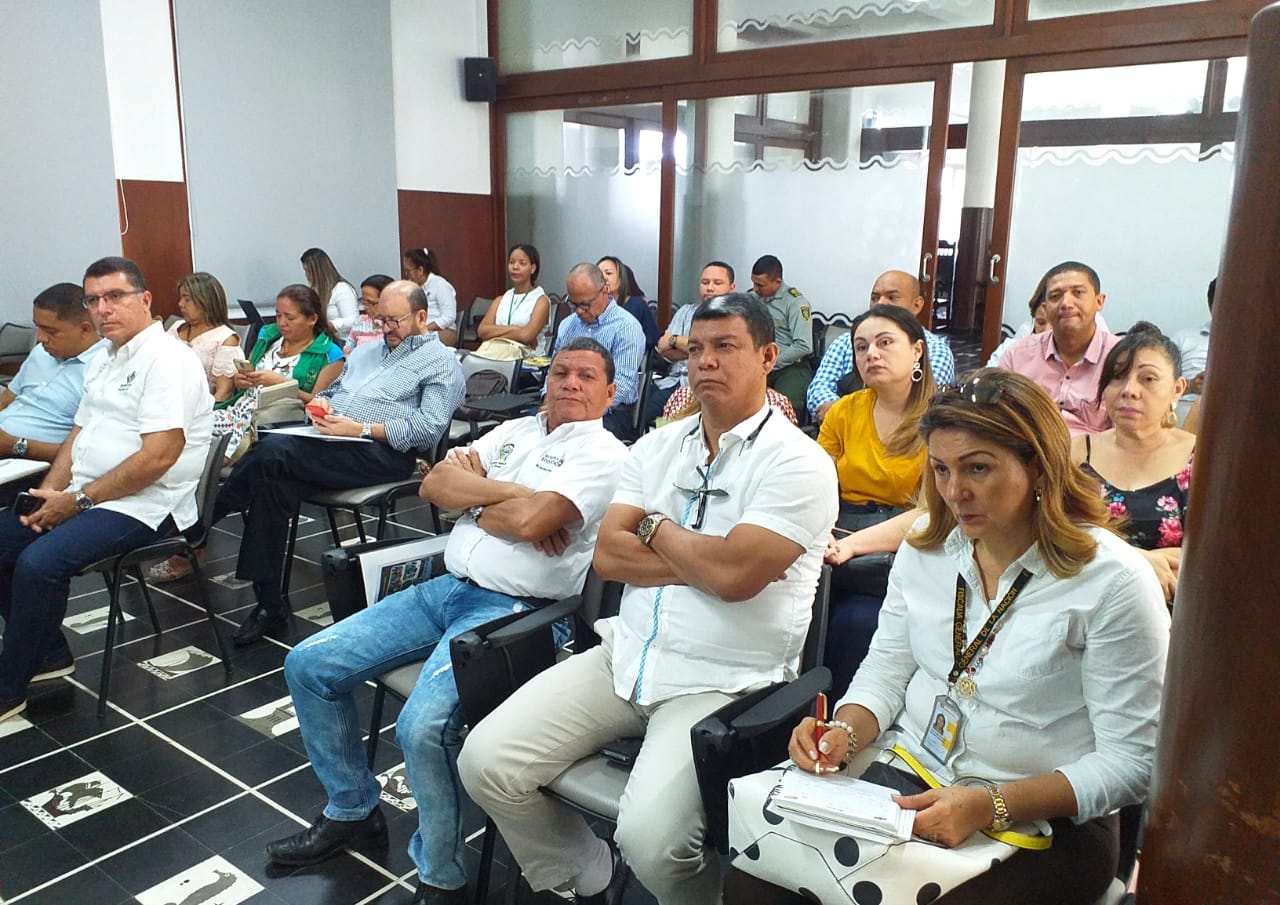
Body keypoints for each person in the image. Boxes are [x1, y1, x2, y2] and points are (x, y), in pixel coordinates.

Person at [460, 293, 838, 905]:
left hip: (723, 680)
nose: (706, 362)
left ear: (768, 356)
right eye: (696, 349)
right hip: (625, 655)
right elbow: (609, 558)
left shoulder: (800, 464)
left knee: (653, 840)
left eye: (725, 347)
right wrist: (707, 560)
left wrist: (656, 526)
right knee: (485, 763)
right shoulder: (657, 447)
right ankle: (589, 873)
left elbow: (739, 577)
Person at [743, 369, 1169, 905]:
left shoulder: (1111, 581)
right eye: (941, 469)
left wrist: (990, 804)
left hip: (1047, 816)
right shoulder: (926, 552)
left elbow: (1132, 763)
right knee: (760, 880)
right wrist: (844, 734)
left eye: (979, 468)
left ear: (1038, 465)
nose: (954, 491)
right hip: (915, 768)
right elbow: (885, 672)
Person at [266, 339, 628, 905]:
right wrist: (510, 494)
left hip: (516, 610)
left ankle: (442, 877)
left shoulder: (604, 454)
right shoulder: (516, 432)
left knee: (421, 727)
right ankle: (352, 810)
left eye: (587, 376)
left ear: (611, 392)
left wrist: (480, 501)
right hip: (444, 589)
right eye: (561, 371)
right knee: (309, 664)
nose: (571, 383)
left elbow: (537, 522)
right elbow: (434, 484)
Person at [0, 256, 212, 723]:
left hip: (149, 505)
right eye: (94, 300)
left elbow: (159, 456)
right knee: (5, 538)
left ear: (144, 300)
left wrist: (75, 502)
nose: (103, 309)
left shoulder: (168, 360)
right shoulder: (107, 359)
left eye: (115, 296)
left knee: (38, 563)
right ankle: (49, 654)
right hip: (91, 493)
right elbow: (79, 436)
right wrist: (48, 496)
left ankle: (8, 688)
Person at [213, 280, 465, 646]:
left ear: (421, 316)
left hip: (383, 453)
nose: (386, 329)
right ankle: (268, 605)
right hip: (332, 441)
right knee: (273, 483)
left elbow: (428, 430)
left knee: (275, 451)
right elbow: (330, 392)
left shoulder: (440, 361)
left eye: (394, 321)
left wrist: (360, 428)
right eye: (381, 321)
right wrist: (324, 406)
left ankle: (205, 518)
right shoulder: (366, 352)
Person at [818, 304, 935, 692]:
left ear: (917, 350)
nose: (872, 354)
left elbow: (933, 511)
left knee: (857, 622)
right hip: (837, 532)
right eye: (861, 346)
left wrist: (852, 546)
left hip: (909, 545)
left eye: (885, 343)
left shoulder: (942, 417)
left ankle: (847, 723)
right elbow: (815, 486)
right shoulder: (844, 412)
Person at [1071, 323, 1195, 604]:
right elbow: (1053, 533)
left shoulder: (1201, 458)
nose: (1129, 390)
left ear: (1177, 389)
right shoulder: (1076, 454)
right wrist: (1137, 561)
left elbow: (1218, 551)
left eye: (1148, 379)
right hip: (1086, 600)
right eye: (1117, 377)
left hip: (1175, 607)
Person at [807, 270, 955, 422]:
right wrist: (844, 415)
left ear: (916, 305)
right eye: (875, 298)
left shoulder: (936, 351)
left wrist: (846, 413)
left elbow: (925, 405)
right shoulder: (846, 341)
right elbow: (819, 388)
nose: (880, 303)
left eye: (892, 297)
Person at [997, 261, 1119, 434]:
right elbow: (999, 420)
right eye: (1055, 296)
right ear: (1045, 309)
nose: (1066, 303)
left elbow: (1128, 438)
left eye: (1078, 293)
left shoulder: (1122, 359)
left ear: (1099, 301)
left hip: (1095, 457)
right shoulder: (1017, 356)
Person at [0, 282, 107, 464]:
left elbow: (90, 456)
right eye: (37, 327)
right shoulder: (41, 353)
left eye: (50, 331)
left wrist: (16, 445)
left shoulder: (106, 368)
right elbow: (5, 400)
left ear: (85, 329)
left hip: (27, 463)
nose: (40, 338)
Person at [550, 263, 645, 442]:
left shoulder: (627, 327)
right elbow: (554, 372)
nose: (578, 311)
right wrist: (549, 401)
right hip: (565, 404)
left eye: (585, 304)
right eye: (573, 303)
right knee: (530, 429)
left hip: (610, 412)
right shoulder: (568, 325)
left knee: (571, 440)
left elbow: (622, 384)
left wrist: (581, 410)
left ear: (605, 290)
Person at [650, 261, 736, 423]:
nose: (710, 288)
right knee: (646, 416)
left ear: (731, 288)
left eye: (717, 283)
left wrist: (675, 341)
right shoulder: (685, 312)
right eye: (705, 282)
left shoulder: (735, 320)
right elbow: (663, 348)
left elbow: (718, 354)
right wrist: (697, 348)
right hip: (673, 382)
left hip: (710, 387)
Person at [747, 254, 813, 416]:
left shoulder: (796, 303)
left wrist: (771, 362)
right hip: (758, 364)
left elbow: (803, 345)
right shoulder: (751, 299)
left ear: (777, 282)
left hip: (790, 366)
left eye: (760, 285)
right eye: (753, 283)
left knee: (782, 409)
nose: (755, 288)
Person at [166, 272, 244, 403]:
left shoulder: (226, 339)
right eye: (180, 298)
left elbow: (223, 394)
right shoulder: (176, 328)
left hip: (201, 410)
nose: (180, 304)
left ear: (205, 302)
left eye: (187, 299)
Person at [477, 243, 551, 354]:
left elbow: (526, 336)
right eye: (511, 262)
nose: (515, 267)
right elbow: (482, 331)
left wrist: (494, 334)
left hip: (526, 361)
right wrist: (516, 329)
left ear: (533, 268)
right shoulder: (501, 299)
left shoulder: (541, 301)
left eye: (522, 263)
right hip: (498, 356)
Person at [598, 255, 660, 352]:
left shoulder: (637, 305)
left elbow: (652, 339)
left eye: (609, 273)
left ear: (621, 278)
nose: (604, 278)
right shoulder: (591, 307)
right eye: (599, 275)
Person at [403, 247, 459, 346]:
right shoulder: (412, 286)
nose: (406, 275)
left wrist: (426, 328)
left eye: (408, 271)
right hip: (421, 330)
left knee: (413, 344)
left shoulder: (440, 285)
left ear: (420, 270)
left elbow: (449, 317)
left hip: (443, 331)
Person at [301, 247, 359, 340]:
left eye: (307, 271)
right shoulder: (314, 290)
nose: (306, 275)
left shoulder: (342, 289)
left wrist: (333, 325)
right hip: (325, 340)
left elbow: (353, 320)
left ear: (316, 271)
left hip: (343, 341)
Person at [344, 274, 394, 353]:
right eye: (363, 302)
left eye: (371, 303)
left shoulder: (395, 325)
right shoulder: (360, 321)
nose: (365, 307)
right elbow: (348, 348)